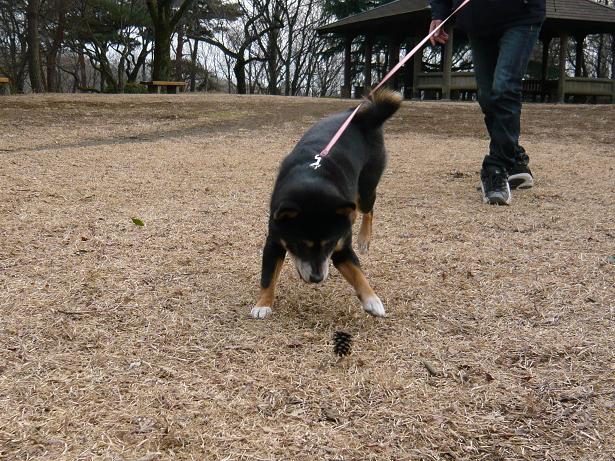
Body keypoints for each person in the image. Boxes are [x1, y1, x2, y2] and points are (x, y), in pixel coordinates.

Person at [429, 0, 546, 205]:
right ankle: (514, 158)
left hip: (520, 15)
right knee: (487, 95)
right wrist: (440, 12)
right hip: (477, 21)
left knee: (504, 87)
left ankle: (496, 167)